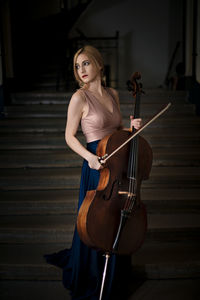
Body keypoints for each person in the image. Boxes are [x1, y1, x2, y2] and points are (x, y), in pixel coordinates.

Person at [44, 45, 142, 300]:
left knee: (115, 217)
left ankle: (115, 271)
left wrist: (131, 128)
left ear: (99, 64)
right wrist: (89, 158)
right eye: (77, 66)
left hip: (116, 163)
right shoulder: (79, 97)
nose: (81, 70)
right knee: (95, 220)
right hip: (95, 165)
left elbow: (118, 130)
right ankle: (92, 274)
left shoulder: (112, 94)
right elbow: (68, 136)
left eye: (86, 63)